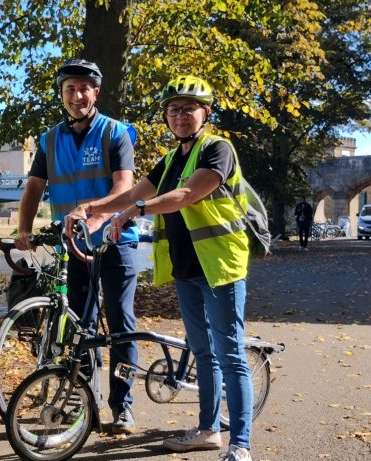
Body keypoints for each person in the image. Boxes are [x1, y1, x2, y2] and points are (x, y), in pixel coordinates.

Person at [73, 75, 255, 461]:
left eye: (189, 108)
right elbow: (133, 192)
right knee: (203, 352)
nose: (180, 116)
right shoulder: (172, 158)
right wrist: (93, 208)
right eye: (174, 110)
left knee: (229, 353)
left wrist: (135, 211)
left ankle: (241, 444)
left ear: (205, 113)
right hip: (188, 268)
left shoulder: (217, 149)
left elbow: (187, 195)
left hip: (220, 265)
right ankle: (208, 430)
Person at [17, 58, 140, 434]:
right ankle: (83, 400)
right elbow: (34, 188)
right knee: (78, 327)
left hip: (116, 240)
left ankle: (122, 405)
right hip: (73, 246)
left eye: (84, 88)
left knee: (120, 323)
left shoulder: (114, 133)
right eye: (70, 88)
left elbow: (124, 187)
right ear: (62, 94)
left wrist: (96, 216)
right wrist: (24, 229)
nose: (77, 95)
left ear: (95, 92)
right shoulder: (49, 139)